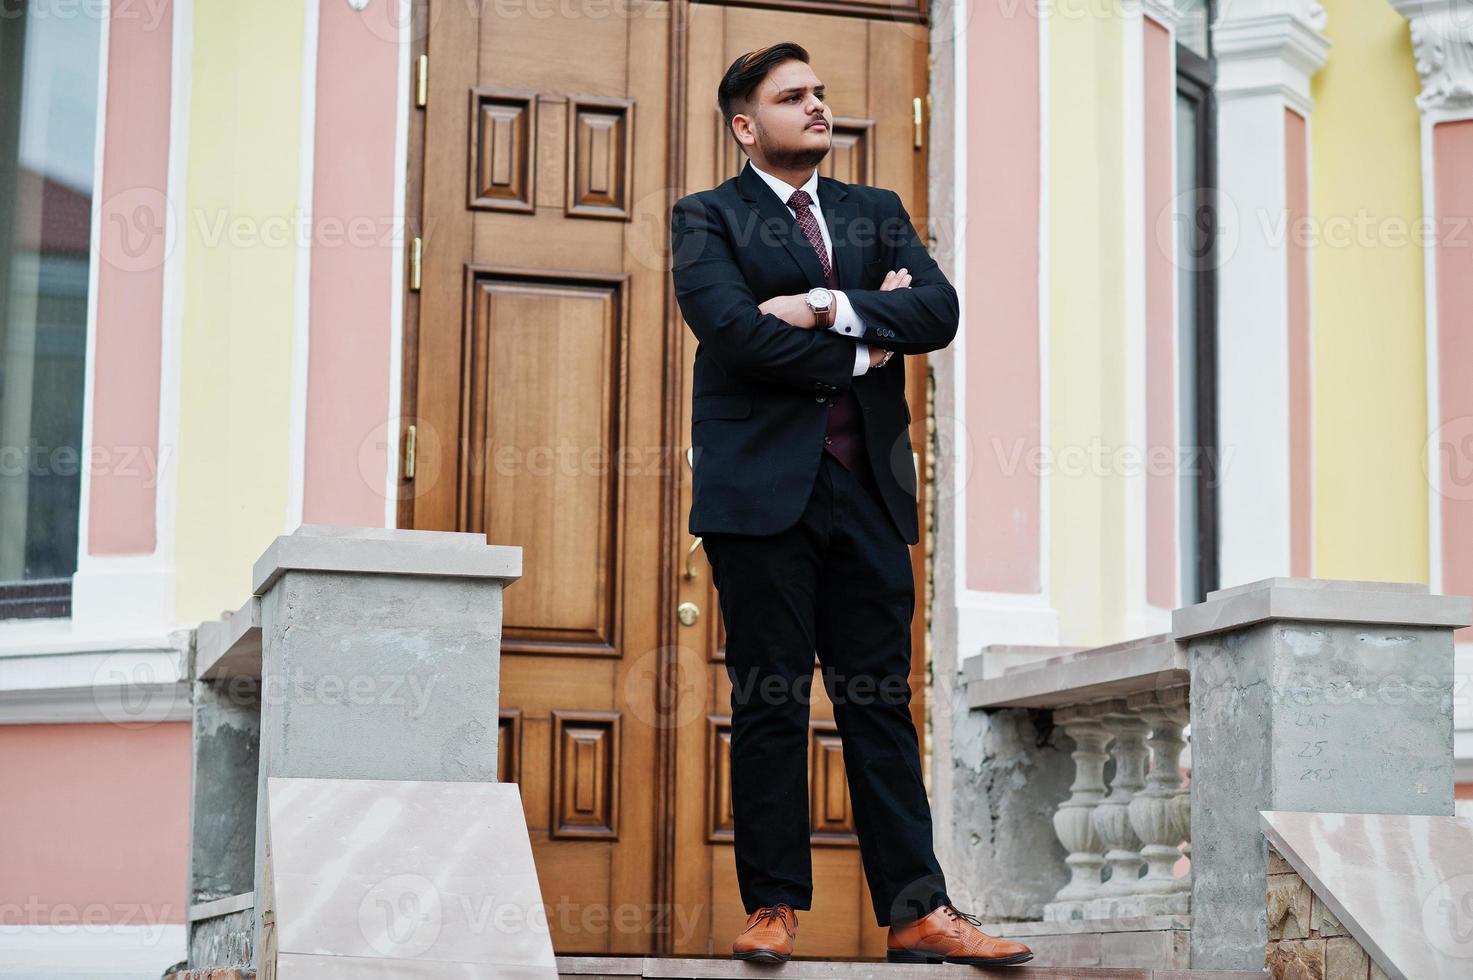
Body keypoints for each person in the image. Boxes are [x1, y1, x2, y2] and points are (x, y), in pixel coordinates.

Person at [668, 41, 1034, 968]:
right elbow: (736, 336)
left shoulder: (876, 212)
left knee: (879, 707)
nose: (817, 106)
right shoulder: (706, 218)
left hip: (868, 495)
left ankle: (917, 911)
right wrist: (873, 339)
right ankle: (773, 906)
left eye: (820, 93)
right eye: (794, 97)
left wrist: (827, 306)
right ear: (747, 124)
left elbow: (939, 314)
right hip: (760, 501)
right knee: (770, 699)